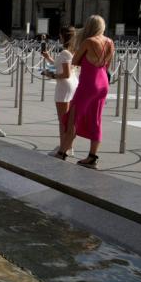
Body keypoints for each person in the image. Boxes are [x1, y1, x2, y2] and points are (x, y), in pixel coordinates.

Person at [55, 15, 114, 169]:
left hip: (89, 83)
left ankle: (62, 152)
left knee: (72, 117)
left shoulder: (89, 41)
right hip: (103, 83)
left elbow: (74, 61)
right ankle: (92, 157)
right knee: (96, 119)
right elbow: (108, 63)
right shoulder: (109, 42)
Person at [42, 27, 79, 155]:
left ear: (62, 37)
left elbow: (65, 74)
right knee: (69, 119)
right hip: (73, 85)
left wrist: (50, 75)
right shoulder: (72, 51)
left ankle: (63, 149)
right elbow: (61, 66)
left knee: (63, 120)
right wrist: (49, 58)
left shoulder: (64, 53)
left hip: (64, 86)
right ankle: (68, 146)